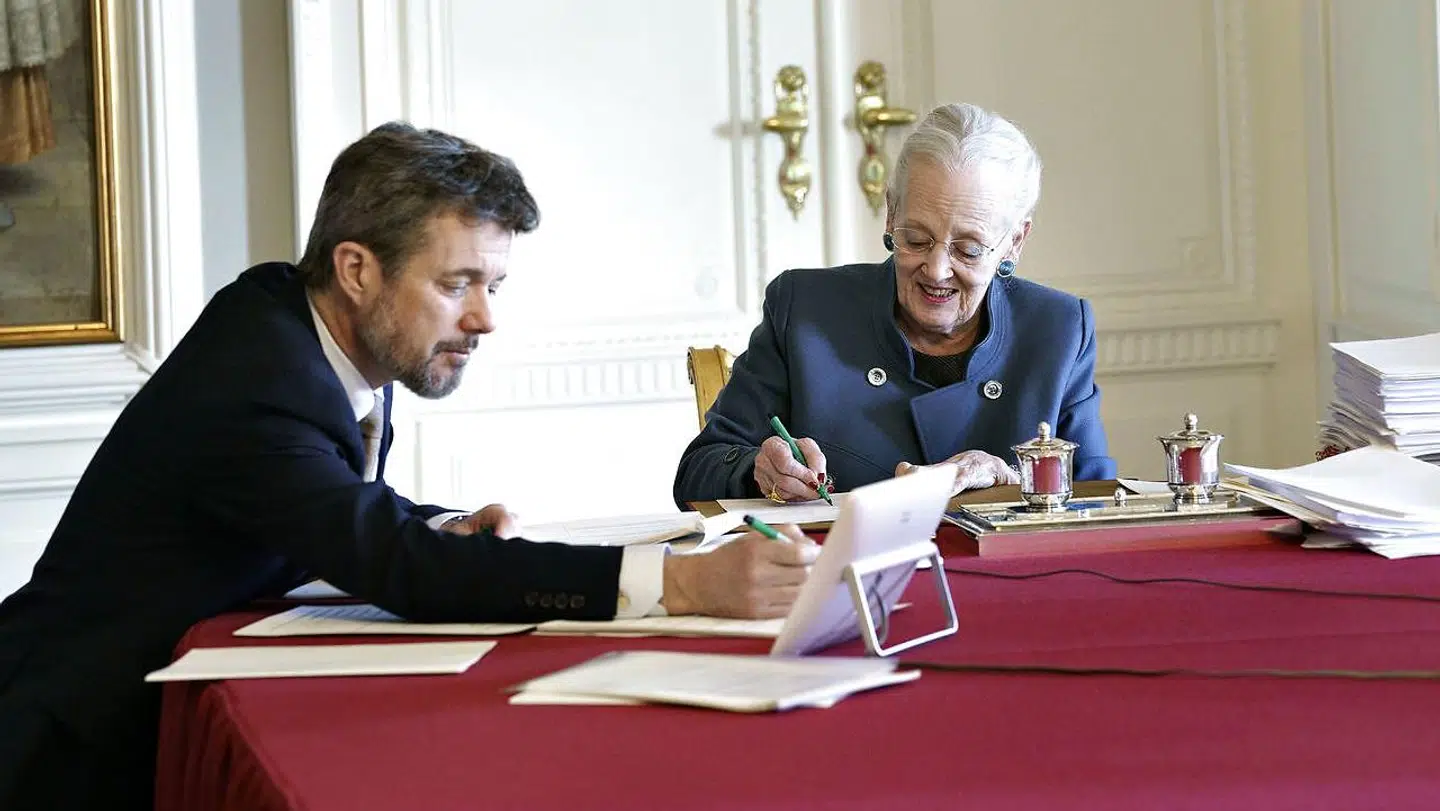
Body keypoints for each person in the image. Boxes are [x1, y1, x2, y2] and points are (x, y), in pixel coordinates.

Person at [0, 122, 816, 810]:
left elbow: (331, 500)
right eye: (458, 283)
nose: (485, 318)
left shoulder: (310, 323)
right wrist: (684, 584)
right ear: (357, 269)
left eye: (493, 284)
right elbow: (398, 566)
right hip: (70, 745)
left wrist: (433, 522)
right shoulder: (259, 376)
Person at [674, 102, 1117, 507]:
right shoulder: (805, 311)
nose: (937, 269)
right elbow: (698, 473)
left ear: (1014, 242)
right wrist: (759, 471)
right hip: (838, 583)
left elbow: (1097, 498)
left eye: (968, 249)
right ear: (890, 215)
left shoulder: (1057, 330)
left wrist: (1013, 477)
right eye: (916, 239)